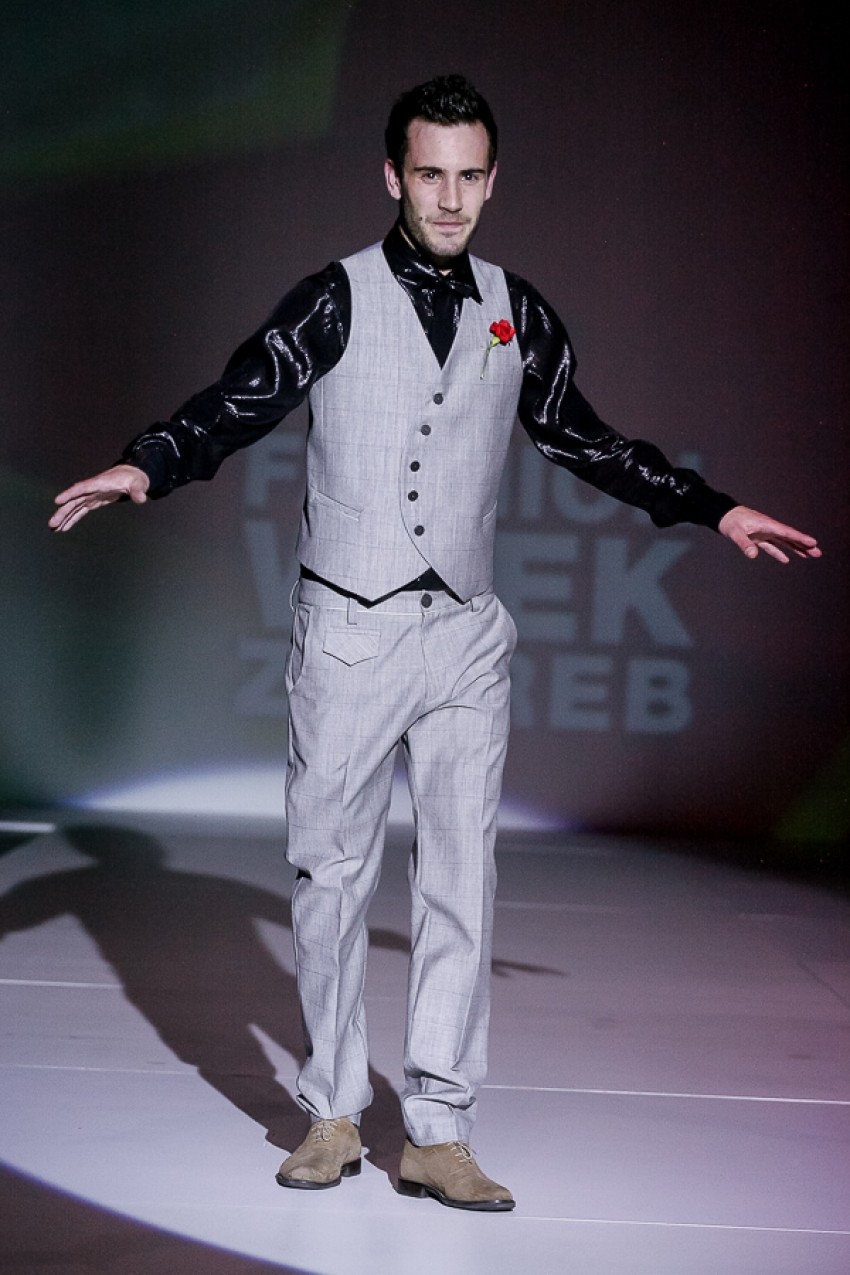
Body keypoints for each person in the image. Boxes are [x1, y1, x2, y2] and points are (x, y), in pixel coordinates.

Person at [50, 75, 820, 1212]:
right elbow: (242, 398)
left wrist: (712, 508)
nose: (450, 199)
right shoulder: (335, 299)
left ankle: (440, 1128)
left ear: (492, 181)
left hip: (463, 633)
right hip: (349, 630)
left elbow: (584, 437)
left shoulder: (519, 309)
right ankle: (330, 1111)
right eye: (430, 175)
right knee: (329, 875)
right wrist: (148, 462)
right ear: (392, 176)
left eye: (469, 177)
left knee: (462, 878)